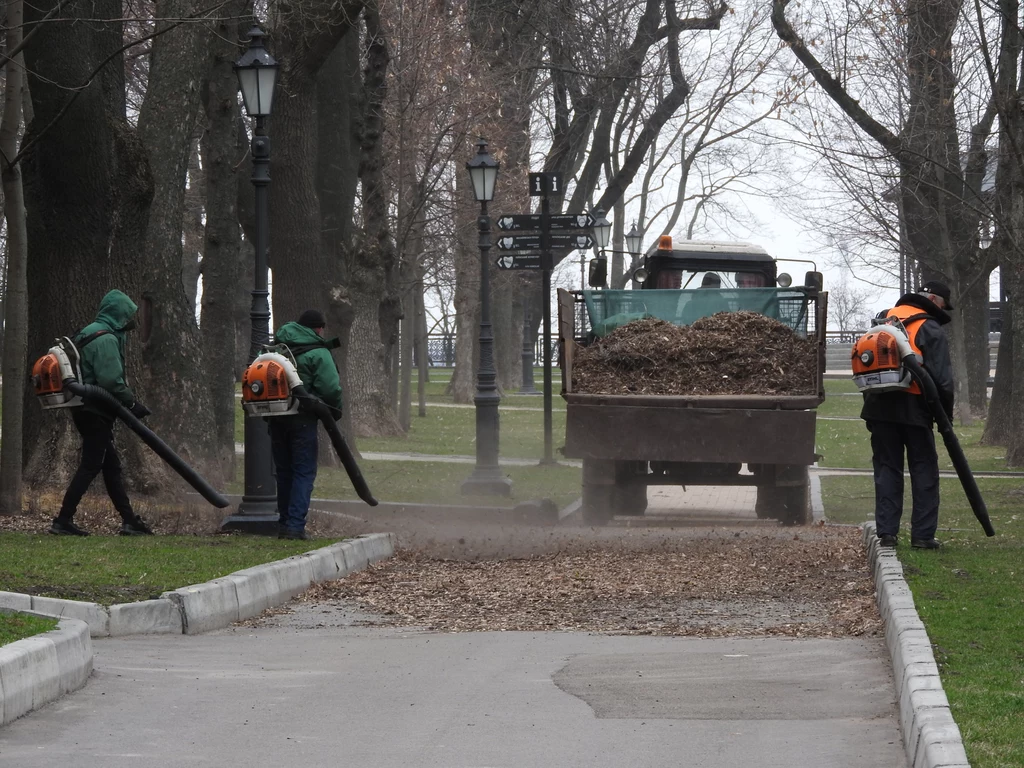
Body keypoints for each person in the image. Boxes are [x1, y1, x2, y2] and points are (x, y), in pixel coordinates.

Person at [50, 290, 154, 537]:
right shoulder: (105, 338)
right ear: (119, 314)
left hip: (86, 408)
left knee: (111, 466)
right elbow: (111, 381)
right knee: (91, 465)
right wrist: (131, 404)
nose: (131, 321)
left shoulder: (90, 330)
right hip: (95, 410)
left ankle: (129, 520)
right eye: (128, 315)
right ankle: (63, 520)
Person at [861, 280, 955, 550]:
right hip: (914, 408)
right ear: (936, 300)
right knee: (923, 470)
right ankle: (923, 536)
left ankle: (887, 533)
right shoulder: (929, 327)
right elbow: (942, 380)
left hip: (878, 407)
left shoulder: (883, 320)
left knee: (887, 468)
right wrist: (944, 418)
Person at [270, 309, 343, 540]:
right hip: (302, 418)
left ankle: (283, 524)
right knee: (303, 472)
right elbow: (330, 387)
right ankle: (295, 527)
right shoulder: (318, 352)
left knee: (284, 472)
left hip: (275, 415)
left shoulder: (277, 347)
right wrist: (333, 411)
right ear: (319, 328)